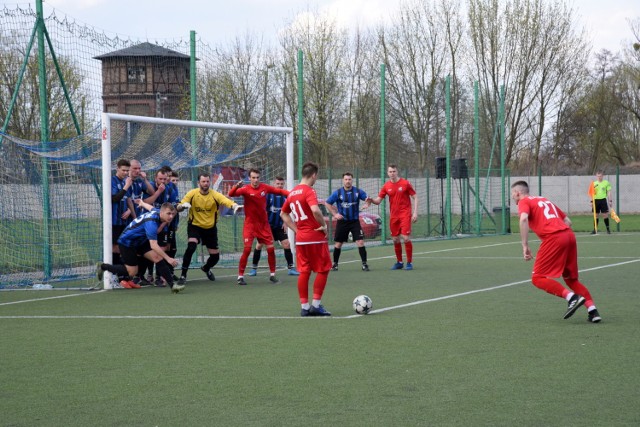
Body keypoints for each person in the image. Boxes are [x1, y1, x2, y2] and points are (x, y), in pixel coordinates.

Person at [511, 180, 602, 323]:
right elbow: (568, 221)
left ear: (518, 192)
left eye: (512, 194)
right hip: (569, 235)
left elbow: (523, 220)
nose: (513, 197)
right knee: (571, 279)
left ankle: (572, 298)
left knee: (537, 278)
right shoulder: (543, 199)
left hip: (555, 238)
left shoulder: (524, 202)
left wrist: (525, 245)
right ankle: (593, 311)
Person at [97, 200, 185, 293]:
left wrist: (142, 203)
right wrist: (168, 259)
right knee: (132, 272)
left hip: (140, 241)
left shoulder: (157, 211)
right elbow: (154, 245)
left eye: (172, 214)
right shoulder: (152, 223)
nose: (171, 216)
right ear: (162, 212)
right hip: (127, 242)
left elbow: (150, 207)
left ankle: (173, 286)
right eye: (168, 214)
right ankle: (103, 266)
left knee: (157, 257)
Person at [280, 161, 332, 317]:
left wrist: (296, 230)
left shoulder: (292, 192)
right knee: (323, 269)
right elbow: (315, 210)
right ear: (314, 175)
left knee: (304, 271)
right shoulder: (309, 191)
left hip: (301, 239)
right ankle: (316, 305)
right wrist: (323, 225)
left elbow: (283, 214)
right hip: (315, 237)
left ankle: (304, 307)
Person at [176, 173, 242, 284]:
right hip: (195, 226)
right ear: (198, 183)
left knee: (215, 257)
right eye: (203, 181)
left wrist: (235, 206)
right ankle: (183, 275)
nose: (206, 183)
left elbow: (225, 201)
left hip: (210, 228)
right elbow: (178, 207)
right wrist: (182, 206)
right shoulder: (192, 194)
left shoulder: (214, 195)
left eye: (207, 181)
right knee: (191, 247)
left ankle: (206, 268)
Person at [228, 169, 290, 285]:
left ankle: (272, 275)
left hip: (264, 225)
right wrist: (236, 186)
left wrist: (291, 194)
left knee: (271, 249)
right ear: (249, 178)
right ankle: (240, 276)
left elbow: (279, 191)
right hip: (250, 225)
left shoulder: (264, 187)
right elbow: (231, 194)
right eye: (253, 177)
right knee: (247, 250)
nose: (256, 180)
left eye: (257, 177)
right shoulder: (245, 189)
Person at [367, 164, 418, 270]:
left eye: (394, 171)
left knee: (405, 237)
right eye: (390, 172)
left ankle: (409, 263)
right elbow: (378, 201)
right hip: (394, 216)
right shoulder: (386, 186)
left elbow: (415, 197)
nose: (392, 173)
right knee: (395, 239)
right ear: (387, 173)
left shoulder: (405, 183)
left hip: (405, 214)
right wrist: (371, 200)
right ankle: (399, 262)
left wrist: (415, 212)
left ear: (397, 172)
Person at [249, 176, 300, 277]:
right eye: (278, 184)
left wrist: (285, 223)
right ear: (274, 184)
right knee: (259, 245)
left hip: (279, 226)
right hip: (267, 226)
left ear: (283, 184)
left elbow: (287, 212)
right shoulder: (268, 195)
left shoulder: (286, 196)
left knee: (286, 244)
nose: (280, 186)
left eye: (281, 184)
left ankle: (291, 268)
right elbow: (262, 210)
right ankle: (254, 268)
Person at [324, 172, 370, 271]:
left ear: (352, 180)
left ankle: (364, 264)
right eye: (346, 179)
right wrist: (335, 214)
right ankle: (335, 264)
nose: (348, 181)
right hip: (342, 222)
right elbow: (327, 203)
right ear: (343, 180)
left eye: (349, 179)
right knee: (338, 244)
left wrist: (367, 204)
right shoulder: (338, 193)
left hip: (354, 222)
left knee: (360, 242)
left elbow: (368, 199)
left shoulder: (357, 191)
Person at [111, 159, 133, 268]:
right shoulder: (112, 181)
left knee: (121, 247)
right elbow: (115, 198)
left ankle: (120, 274)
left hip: (123, 221)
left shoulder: (126, 182)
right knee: (115, 247)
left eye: (127, 171)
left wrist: (131, 212)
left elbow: (128, 199)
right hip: (113, 221)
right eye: (123, 170)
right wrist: (126, 186)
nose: (125, 173)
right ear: (117, 169)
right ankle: (113, 274)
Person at [589, 170, 614, 234]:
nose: (599, 177)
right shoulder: (594, 183)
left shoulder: (606, 183)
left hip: (603, 200)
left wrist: (610, 201)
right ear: (596, 176)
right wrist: (591, 202)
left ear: (603, 176)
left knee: (605, 215)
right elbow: (592, 193)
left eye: (600, 176)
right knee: (596, 215)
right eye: (598, 176)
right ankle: (595, 230)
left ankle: (608, 230)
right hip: (596, 201)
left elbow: (609, 192)